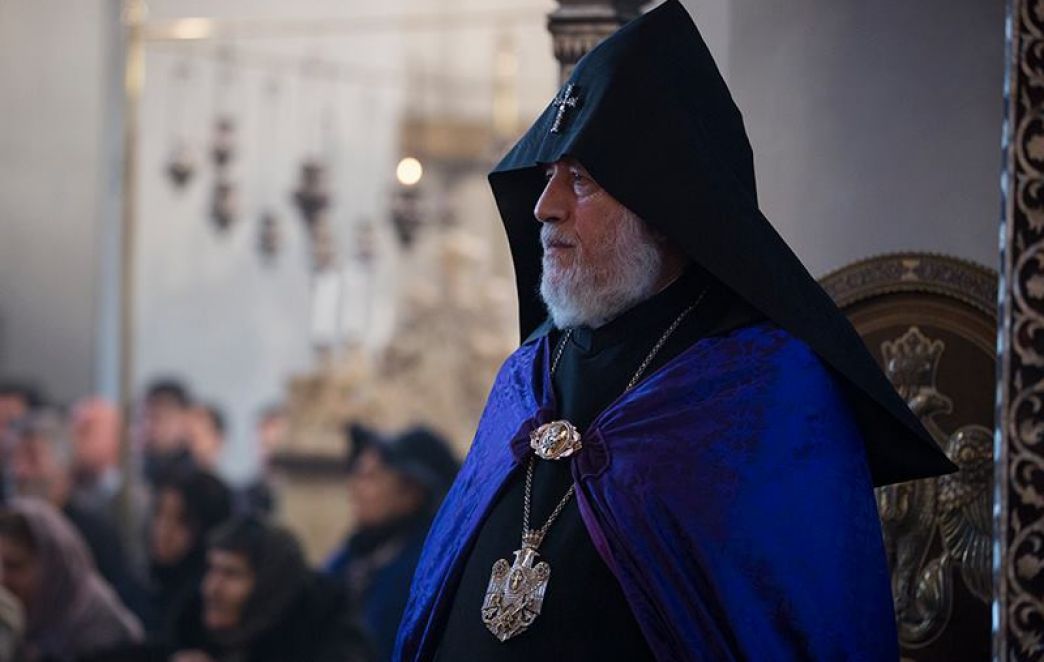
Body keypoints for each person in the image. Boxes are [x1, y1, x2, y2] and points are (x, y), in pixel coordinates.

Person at [394, 2, 956, 661]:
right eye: (548, 178)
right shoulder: (528, 375)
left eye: (581, 181)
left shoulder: (762, 395)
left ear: (663, 208)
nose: (545, 208)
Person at [324, 424, 459, 661]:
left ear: (412, 493)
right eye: (357, 474)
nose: (355, 489)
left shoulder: (427, 572)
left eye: (370, 478)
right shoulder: (356, 554)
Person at [169, 516, 371, 662]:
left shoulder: (327, 638)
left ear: (270, 587)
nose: (211, 588)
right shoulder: (189, 631)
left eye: (231, 574)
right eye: (211, 570)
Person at [3, 410, 136, 608]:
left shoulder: (96, 534)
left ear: (63, 464)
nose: (20, 472)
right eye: (14, 458)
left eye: (32, 458)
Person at [0, 497, 142, 661]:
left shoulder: (107, 636)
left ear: (53, 568)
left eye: (14, 566)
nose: (2, 579)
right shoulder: (17, 626)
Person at [141, 468, 232, 638]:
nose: (163, 531)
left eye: (182, 521)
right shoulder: (150, 588)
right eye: (159, 514)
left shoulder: (206, 608)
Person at [139, 379, 197, 486]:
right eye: (144, 418)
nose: (148, 427)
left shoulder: (203, 485)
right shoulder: (133, 475)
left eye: (158, 418)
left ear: (184, 419)